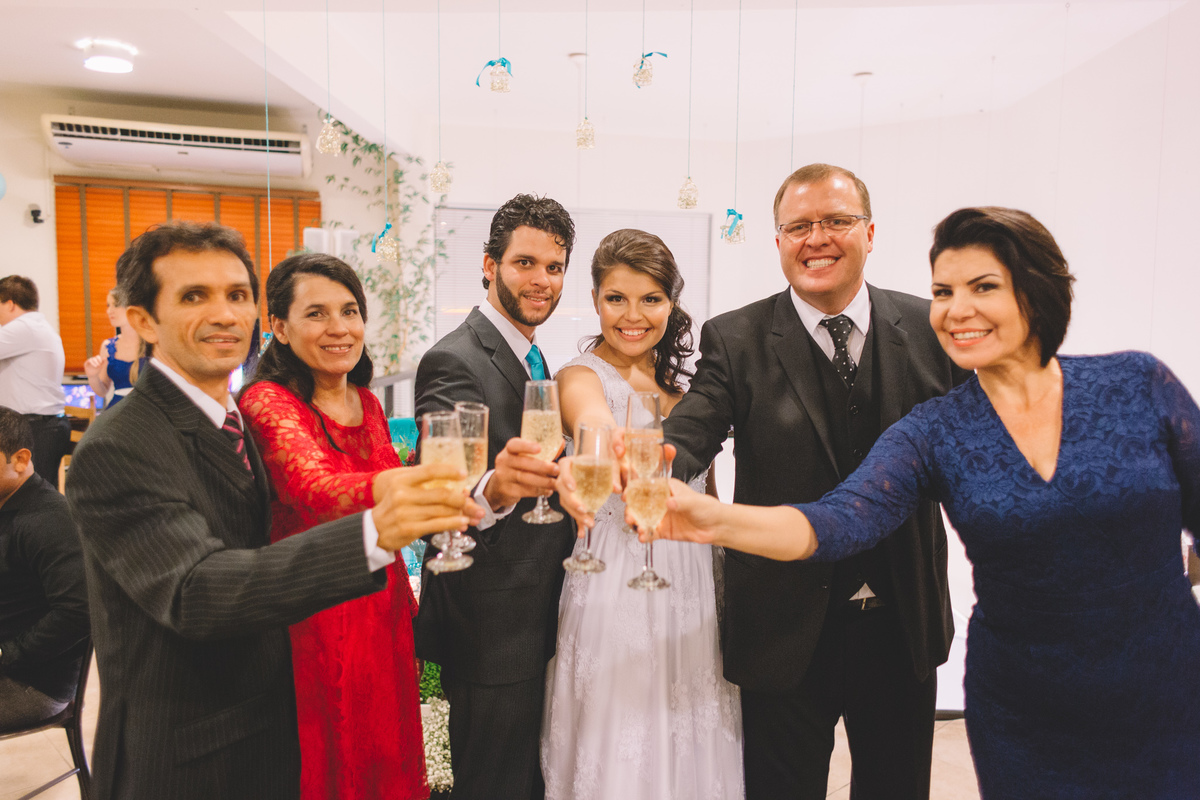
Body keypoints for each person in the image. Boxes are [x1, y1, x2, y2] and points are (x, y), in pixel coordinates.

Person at [646, 206, 1200, 798]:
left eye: (983, 287)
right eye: (943, 291)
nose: (957, 309)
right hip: (1023, 697)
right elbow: (839, 519)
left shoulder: (1137, 384)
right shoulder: (934, 431)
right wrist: (711, 518)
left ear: (1036, 290)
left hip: (1163, 680)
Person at [65, 221, 480, 800]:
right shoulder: (119, 445)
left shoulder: (229, 417)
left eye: (236, 295)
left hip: (268, 724)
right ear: (141, 320)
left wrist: (483, 488)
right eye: (194, 296)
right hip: (191, 755)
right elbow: (195, 590)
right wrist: (374, 529)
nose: (227, 314)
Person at [662, 164, 967, 800]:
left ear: (871, 232)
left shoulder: (933, 327)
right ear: (778, 241)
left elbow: (978, 444)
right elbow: (690, 431)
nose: (816, 237)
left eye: (835, 221)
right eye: (798, 226)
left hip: (902, 623)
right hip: (783, 627)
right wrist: (647, 461)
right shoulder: (736, 338)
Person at [544, 229, 743, 799]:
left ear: (671, 304)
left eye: (650, 299)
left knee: (693, 735)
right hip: (614, 583)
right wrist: (617, 449)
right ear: (596, 300)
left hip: (693, 582)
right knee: (621, 740)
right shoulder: (580, 377)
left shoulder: (688, 397)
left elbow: (712, 495)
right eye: (616, 299)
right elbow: (595, 438)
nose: (633, 316)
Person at [238, 253, 428, 800]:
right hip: (314, 606)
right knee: (330, 758)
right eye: (317, 314)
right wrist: (421, 486)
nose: (340, 328)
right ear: (278, 326)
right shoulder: (267, 400)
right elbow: (316, 490)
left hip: (381, 599)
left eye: (350, 311)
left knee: (386, 751)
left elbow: (391, 482)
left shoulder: (366, 401)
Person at [414, 193, 578, 800]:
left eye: (554, 267)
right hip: (491, 621)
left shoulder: (538, 360)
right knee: (495, 784)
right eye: (525, 263)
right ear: (489, 265)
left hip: (540, 607)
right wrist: (495, 489)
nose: (541, 280)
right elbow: (443, 488)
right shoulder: (454, 358)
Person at [0, 407, 89, 729]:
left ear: (21, 459)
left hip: (30, 684)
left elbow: (80, 611)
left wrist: (5, 655)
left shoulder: (49, 520)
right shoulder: (6, 502)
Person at [0, 276, 71, 483]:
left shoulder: (23, 327)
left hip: (38, 427)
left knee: (32, 495)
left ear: (10, 304)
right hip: (43, 425)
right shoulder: (36, 327)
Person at [83, 286, 140, 408]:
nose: (109, 311)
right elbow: (102, 391)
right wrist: (92, 376)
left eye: (116, 305)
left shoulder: (154, 343)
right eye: (108, 306)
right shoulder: (108, 346)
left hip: (148, 413)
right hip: (117, 412)